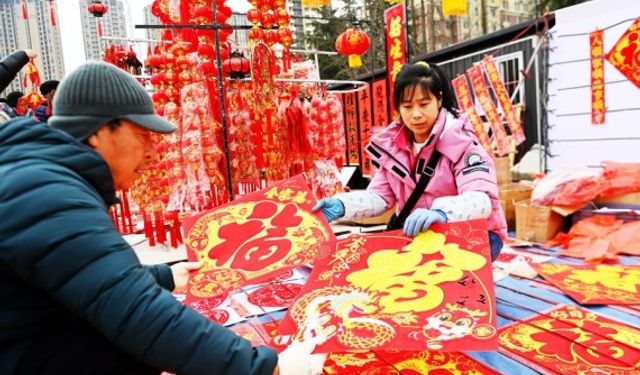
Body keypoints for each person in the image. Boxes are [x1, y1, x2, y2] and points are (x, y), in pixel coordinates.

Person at [0, 61, 321, 375]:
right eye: (143, 135)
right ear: (98, 132)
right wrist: (263, 367)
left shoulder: (42, 177)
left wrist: (163, 276)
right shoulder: (49, 193)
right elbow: (135, 311)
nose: (154, 152)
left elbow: (88, 277)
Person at [314, 62, 507, 260]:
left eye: (424, 104)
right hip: (425, 234)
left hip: (475, 233)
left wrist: (441, 212)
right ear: (398, 107)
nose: (416, 114)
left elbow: (482, 200)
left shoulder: (463, 143)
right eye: (407, 106)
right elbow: (380, 196)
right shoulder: (392, 148)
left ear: (439, 100)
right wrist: (342, 205)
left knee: (440, 279)